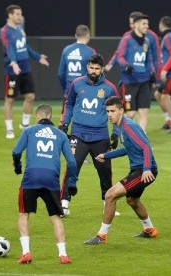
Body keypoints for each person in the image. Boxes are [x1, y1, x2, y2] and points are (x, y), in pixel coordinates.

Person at [84, 96, 158, 245]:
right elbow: (127, 148)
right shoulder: (120, 126)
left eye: (113, 111)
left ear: (121, 111)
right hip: (139, 169)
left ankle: (101, 236)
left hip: (144, 170)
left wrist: (146, 169)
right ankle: (150, 230)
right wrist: (107, 155)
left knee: (110, 195)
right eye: (107, 111)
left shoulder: (128, 126)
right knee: (132, 200)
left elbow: (146, 146)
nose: (109, 114)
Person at [12, 104, 77, 264]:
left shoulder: (29, 131)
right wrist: (72, 182)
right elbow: (72, 161)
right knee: (55, 217)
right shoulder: (60, 135)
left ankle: (26, 252)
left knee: (24, 214)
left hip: (31, 177)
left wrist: (18, 166)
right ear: (51, 116)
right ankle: (63, 255)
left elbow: (16, 152)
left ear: (37, 116)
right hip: (51, 179)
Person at [59, 54, 120, 216]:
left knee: (105, 171)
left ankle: (108, 203)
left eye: (97, 69)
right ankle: (64, 204)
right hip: (78, 135)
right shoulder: (77, 84)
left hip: (100, 136)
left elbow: (118, 111)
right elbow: (69, 103)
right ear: (87, 67)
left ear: (102, 69)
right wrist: (65, 123)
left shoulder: (110, 88)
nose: (93, 71)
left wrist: (115, 133)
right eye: (91, 68)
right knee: (72, 167)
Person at [0, 4, 49, 139]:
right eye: (17, 14)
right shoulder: (5, 31)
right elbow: (9, 48)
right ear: (10, 15)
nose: (19, 16)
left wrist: (38, 57)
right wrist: (14, 63)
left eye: (20, 14)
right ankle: (9, 129)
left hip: (25, 67)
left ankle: (25, 125)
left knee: (30, 96)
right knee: (9, 99)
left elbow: (25, 46)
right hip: (12, 70)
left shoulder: (20, 29)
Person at [115, 14, 155, 132]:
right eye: (144, 24)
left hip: (144, 81)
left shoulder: (147, 41)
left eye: (147, 24)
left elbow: (148, 60)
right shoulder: (127, 39)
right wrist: (126, 65)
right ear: (136, 24)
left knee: (144, 112)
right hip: (130, 81)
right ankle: (125, 138)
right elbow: (120, 57)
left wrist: (151, 72)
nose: (147, 26)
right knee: (130, 114)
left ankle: (141, 143)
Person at [57, 24, 96, 99]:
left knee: (68, 110)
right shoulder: (91, 52)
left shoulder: (66, 50)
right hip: (85, 90)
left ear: (76, 36)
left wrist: (65, 88)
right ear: (88, 36)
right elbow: (94, 74)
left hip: (69, 89)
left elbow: (60, 74)